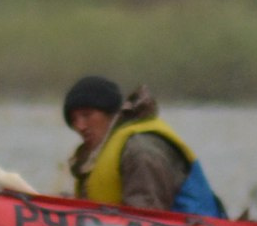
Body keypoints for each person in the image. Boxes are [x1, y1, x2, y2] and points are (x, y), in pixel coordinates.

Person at [62, 75, 224, 216]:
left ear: (110, 113)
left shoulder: (140, 149)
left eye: (86, 115)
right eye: (74, 120)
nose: (80, 126)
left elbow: (147, 218)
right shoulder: (95, 156)